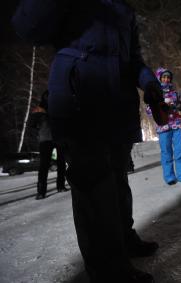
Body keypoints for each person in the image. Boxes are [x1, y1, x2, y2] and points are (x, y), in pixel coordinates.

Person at [13, 1, 169, 282]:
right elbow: (27, 27)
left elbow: (133, 59)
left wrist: (150, 85)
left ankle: (124, 239)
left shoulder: (123, 8)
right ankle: (107, 269)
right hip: (79, 99)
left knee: (118, 179)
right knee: (93, 185)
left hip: (116, 104)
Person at [147, 68, 181, 185]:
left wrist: (179, 108)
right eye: (164, 77)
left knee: (179, 151)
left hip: (176, 125)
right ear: (159, 78)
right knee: (166, 152)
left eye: (168, 77)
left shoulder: (175, 93)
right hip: (163, 127)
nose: (166, 79)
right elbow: (149, 111)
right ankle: (169, 177)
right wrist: (161, 107)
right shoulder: (155, 94)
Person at [31, 90, 67, 200]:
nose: (49, 99)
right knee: (44, 166)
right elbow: (32, 125)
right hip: (45, 139)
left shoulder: (58, 107)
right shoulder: (38, 110)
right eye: (47, 97)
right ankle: (41, 191)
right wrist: (39, 129)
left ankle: (60, 186)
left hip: (58, 138)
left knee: (61, 164)